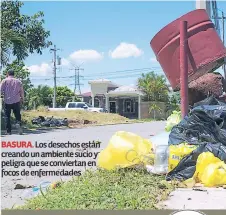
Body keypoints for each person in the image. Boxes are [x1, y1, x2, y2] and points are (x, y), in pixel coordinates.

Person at [0, 70, 24, 135]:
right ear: (14, 74)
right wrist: (22, 99)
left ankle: (8, 131)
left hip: (7, 101)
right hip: (16, 101)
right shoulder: (19, 81)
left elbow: (0, 90)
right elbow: (21, 91)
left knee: (7, 116)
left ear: (7, 74)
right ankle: (18, 123)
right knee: (17, 115)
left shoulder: (4, 81)